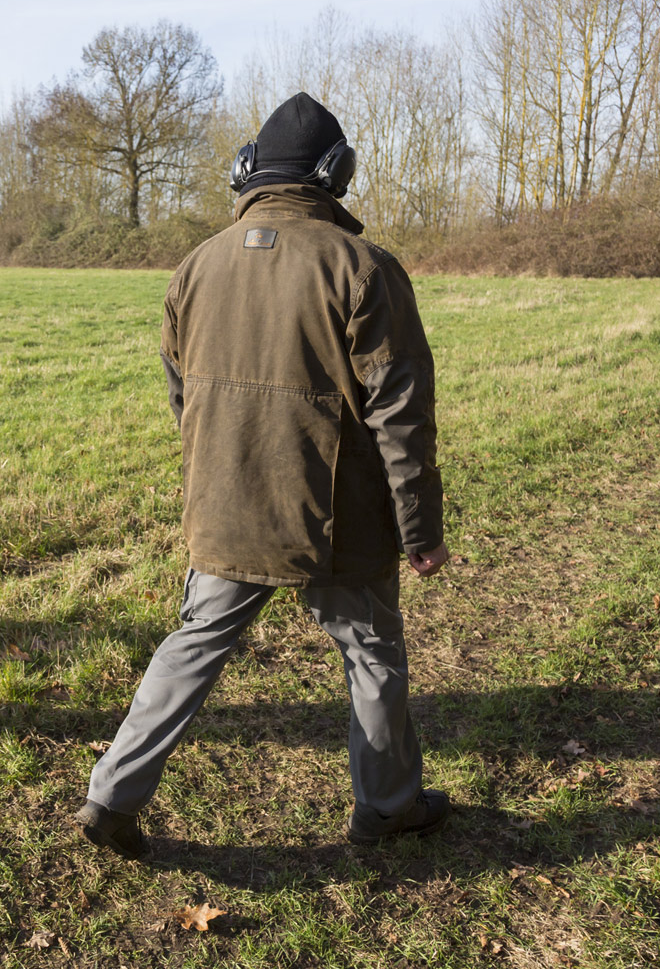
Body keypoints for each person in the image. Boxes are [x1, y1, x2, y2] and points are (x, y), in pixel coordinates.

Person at [75, 93, 450, 857]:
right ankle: (386, 806)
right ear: (335, 175)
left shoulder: (195, 265)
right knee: (372, 652)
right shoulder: (364, 267)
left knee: (194, 642)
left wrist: (214, 474)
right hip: (337, 516)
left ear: (248, 171)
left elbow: (182, 397)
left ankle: (111, 793)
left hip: (224, 504)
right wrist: (420, 528)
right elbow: (401, 413)